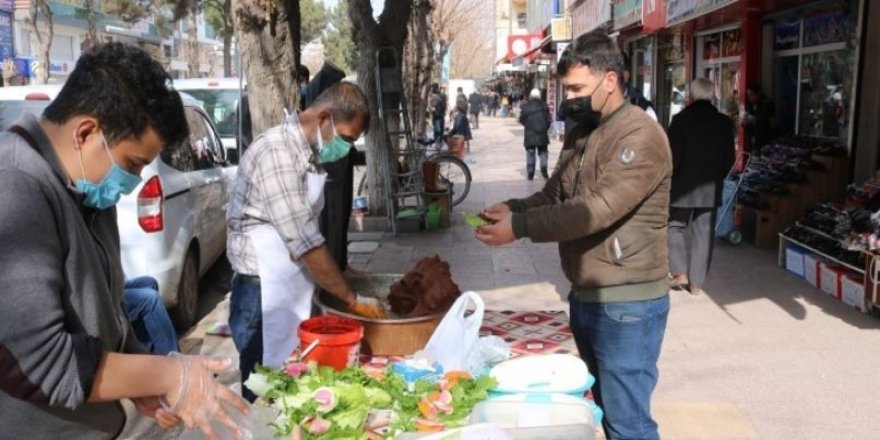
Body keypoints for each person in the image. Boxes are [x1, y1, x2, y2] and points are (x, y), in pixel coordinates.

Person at [0, 42, 248, 439]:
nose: (131, 182)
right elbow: (42, 363)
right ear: (85, 132)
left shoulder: (87, 187)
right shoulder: (15, 187)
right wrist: (168, 374)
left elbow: (106, 312)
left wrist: (141, 379)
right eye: (132, 164)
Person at [476, 29, 672, 440]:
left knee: (629, 423)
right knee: (601, 411)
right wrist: (513, 209)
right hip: (587, 293)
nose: (571, 97)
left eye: (578, 88)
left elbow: (597, 209)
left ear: (611, 81)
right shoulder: (583, 131)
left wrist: (522, 228)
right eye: (567, 88)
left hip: (628, 303)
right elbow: (555, 193)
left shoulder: (640, 135)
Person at [226, 82, 375, 402]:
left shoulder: (309, 154)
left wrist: (341, 274)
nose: (348, 149)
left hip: (289, 282)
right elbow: (305, 242)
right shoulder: (277, 152)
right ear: (324, 118)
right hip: (261, 293)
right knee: (264, 391)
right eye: (347, 138)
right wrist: (351, 298)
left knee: (291, 386)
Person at [667, 78, 736, 295]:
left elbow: (673, 157)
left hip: (682, 187)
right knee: (703, 234)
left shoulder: (680, 120)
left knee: (673, 226)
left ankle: (679, 271)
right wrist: (716, 177)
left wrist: (670, 179)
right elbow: (729, 159)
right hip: (710, 187)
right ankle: (696, 284)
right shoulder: (724, 122)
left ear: (691, 95)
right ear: (713, 94)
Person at [518, 88, 551, 180]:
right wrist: (545, 128)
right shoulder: (544, 106)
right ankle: (544, 169)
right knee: (543, 152)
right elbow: (549, 120)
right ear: (539, 96)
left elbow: (521, 119)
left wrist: (527, 125)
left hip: (530, 134)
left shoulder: (526, 107)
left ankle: (530, 173)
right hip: (542, 133)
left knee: (530, 153)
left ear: (530, 96)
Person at [743, 83, 775, 153]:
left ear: (758, 94)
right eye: (748, 94)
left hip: (763, 142)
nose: (749, 97)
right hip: (752, 142)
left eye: (751, 94)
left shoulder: (767, 104)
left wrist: (753, 120)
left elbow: (767, 121)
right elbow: (744, 120)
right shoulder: (749, 105)